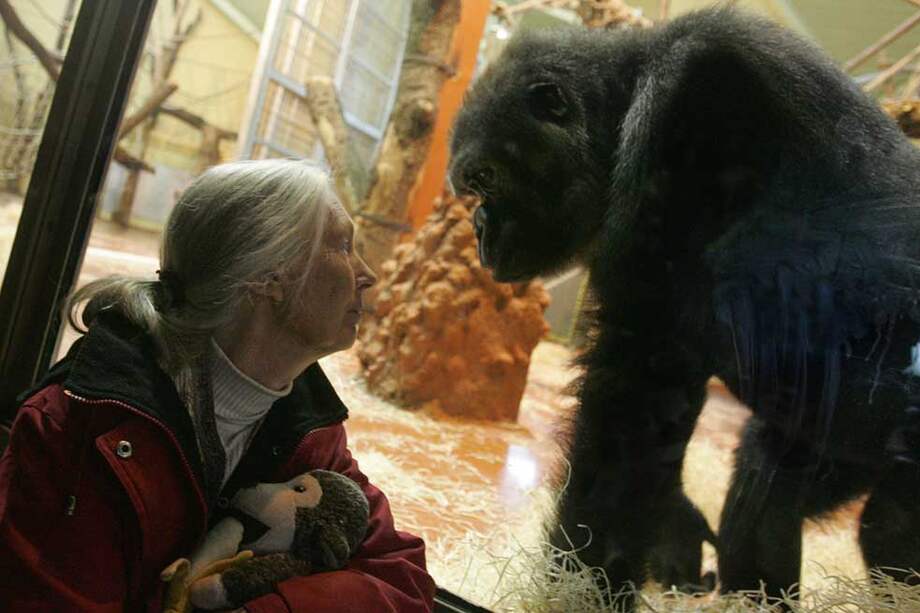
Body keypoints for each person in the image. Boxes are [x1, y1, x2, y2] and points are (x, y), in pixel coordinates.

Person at [0, 159, 436, 612]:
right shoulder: (78, 430)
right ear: (267, 277)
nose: (368, 274)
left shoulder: (308, 424)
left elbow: (403, 580)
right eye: (343, 246)